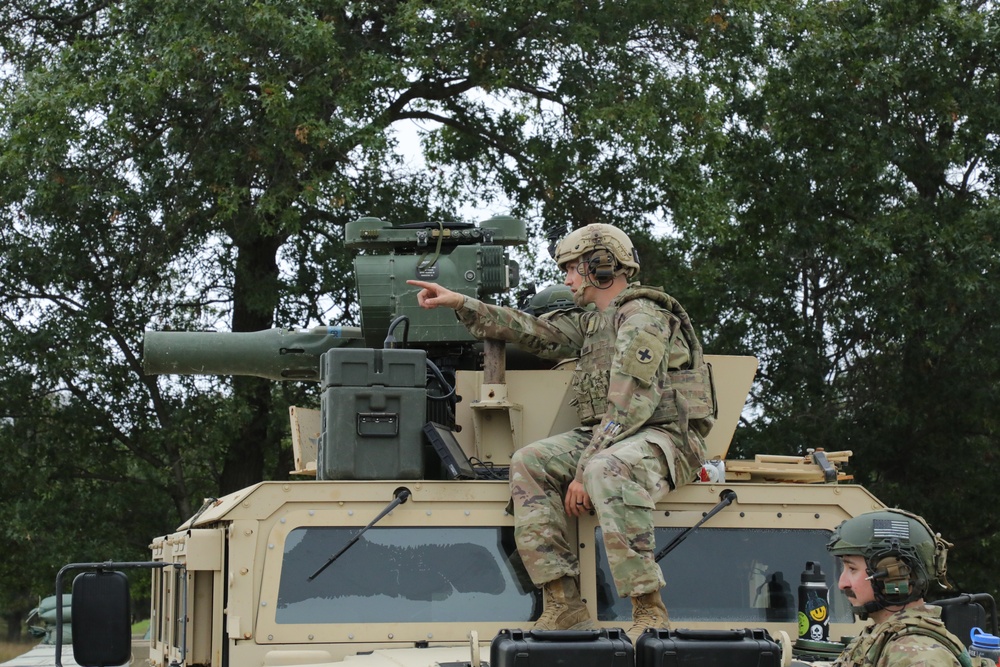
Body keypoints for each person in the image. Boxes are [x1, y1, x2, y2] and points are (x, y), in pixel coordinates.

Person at [407, 223, 716, 639]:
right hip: (613, 437)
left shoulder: (643, 317)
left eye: (572, 268)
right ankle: (563, 602)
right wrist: (462, 303)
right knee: (529, 461)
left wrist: (584, 467)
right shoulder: (595, 322)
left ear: (601, 265)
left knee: (607, 470)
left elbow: (632, 404)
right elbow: (532, 331)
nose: (567, 279)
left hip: (666, 437)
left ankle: (648, 610)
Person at [827, 508, 982, 667]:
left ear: (894, 575)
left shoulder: (918, 657)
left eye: (852, 569)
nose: (842, 583)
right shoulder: (883, 637)